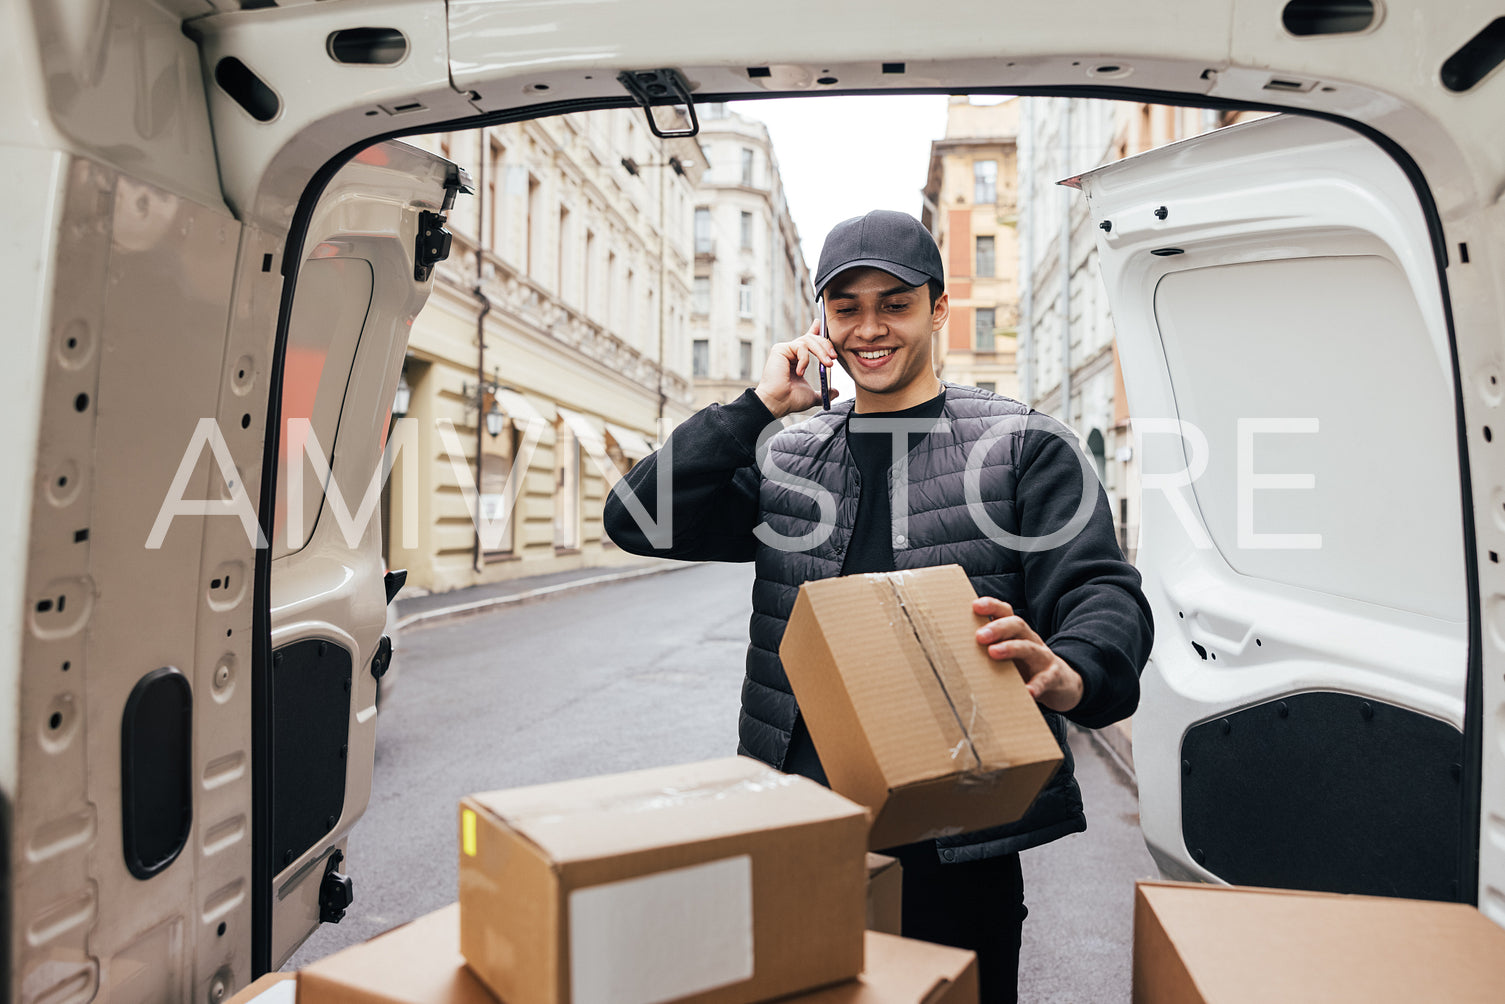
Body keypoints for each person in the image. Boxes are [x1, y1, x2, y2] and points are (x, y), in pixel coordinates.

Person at [604, 209, 1152, 1002]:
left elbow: (1101, 588)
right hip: (801, 821)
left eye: (893, 303)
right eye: (846, 306)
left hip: (960, 830)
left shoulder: (1022, 445)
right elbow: (637, 519)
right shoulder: (787, 454)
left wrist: (1071, 672)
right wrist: (756, 406)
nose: (869, 328)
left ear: (937, 310)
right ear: (820, 320)